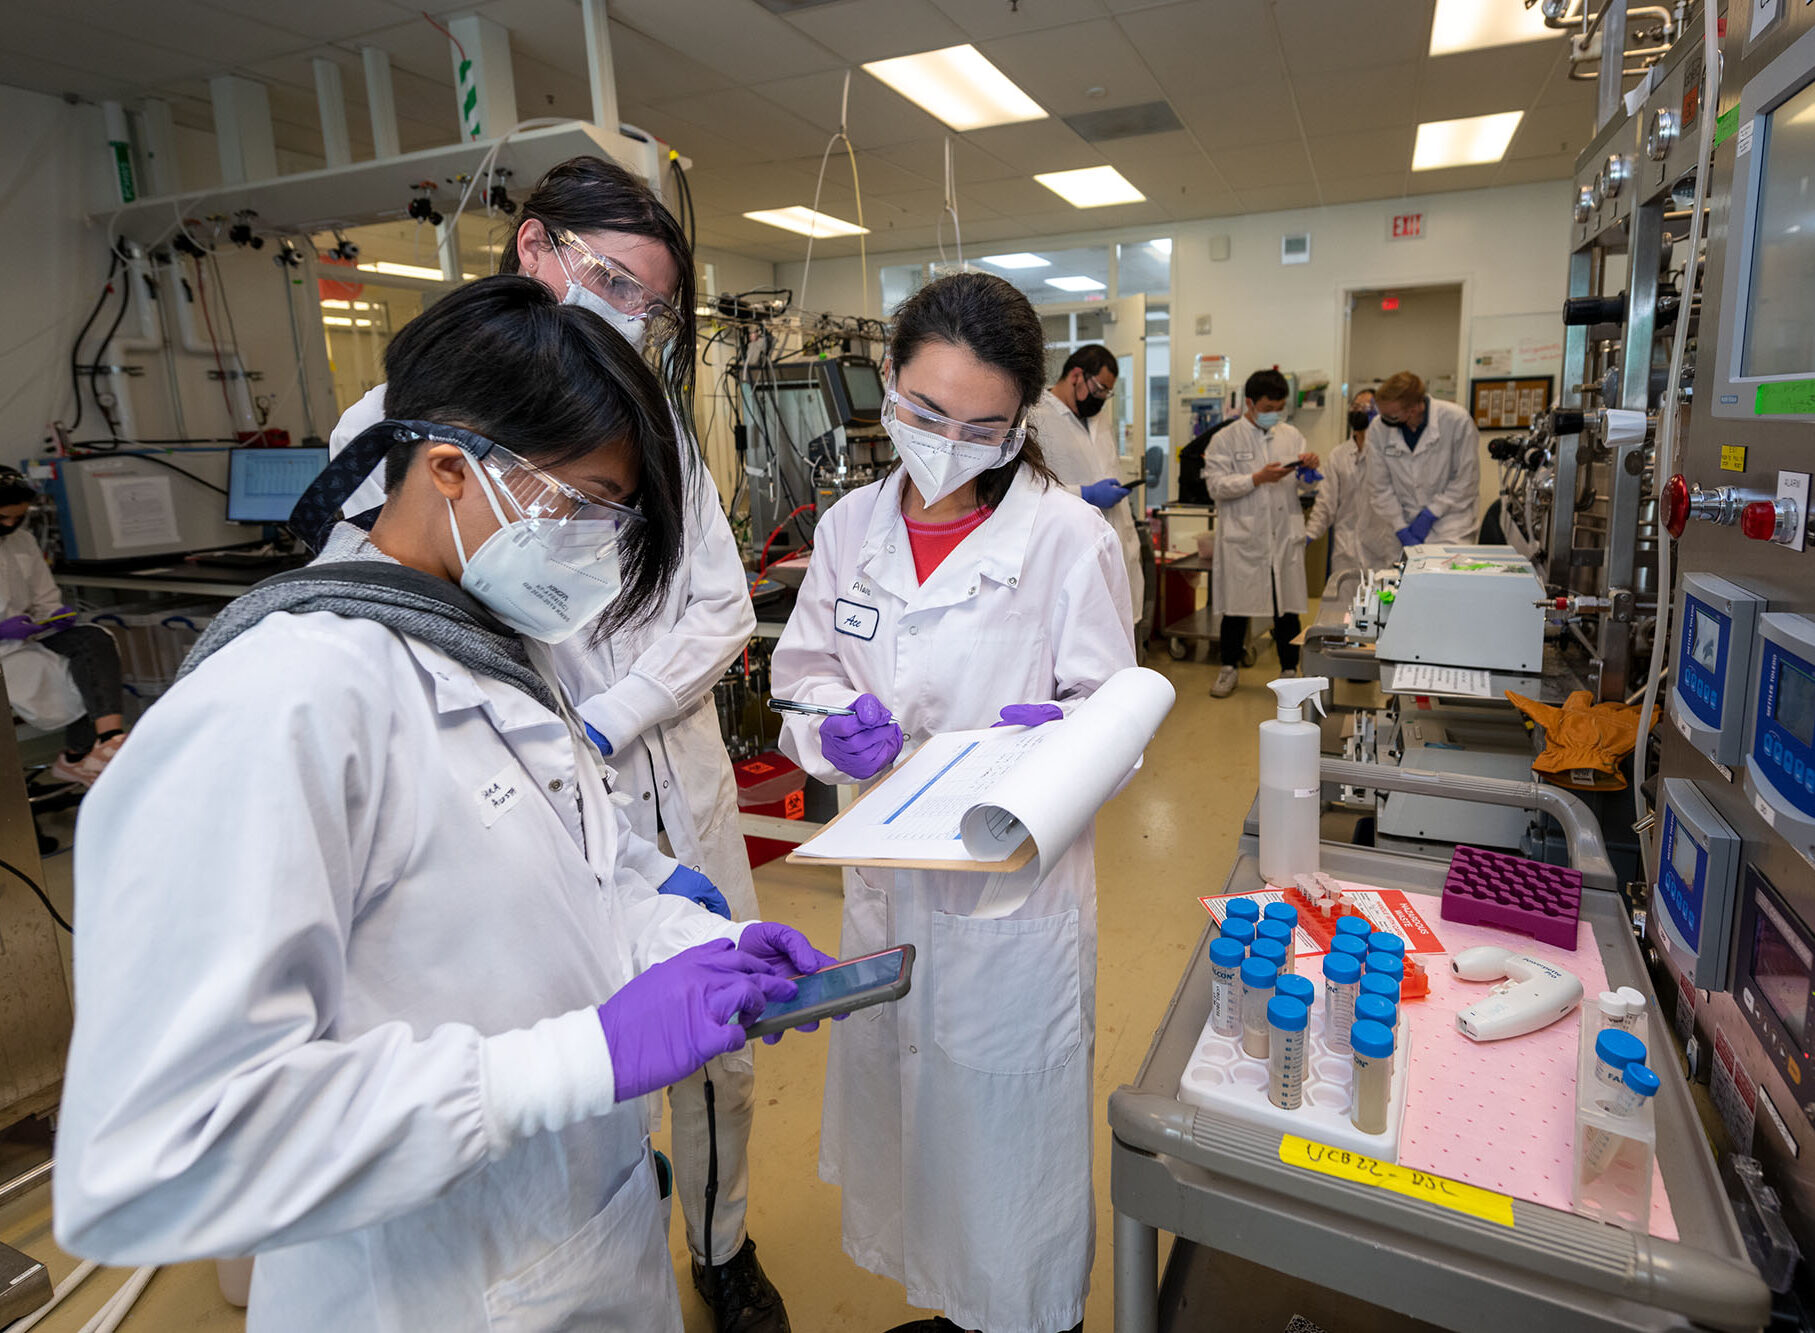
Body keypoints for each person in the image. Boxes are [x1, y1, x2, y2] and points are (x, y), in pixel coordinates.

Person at [54, 277, 835, 1332]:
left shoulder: (494, 645)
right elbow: (162, 1151)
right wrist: (578, 1060)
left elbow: (563, 871)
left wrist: (689, 938)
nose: (602, 547)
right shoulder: (280, 705)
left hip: (570, 1243)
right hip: (427, 1291)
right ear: (452, 470)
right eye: (587, 507)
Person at [328, 157, 782, 1332]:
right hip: (511, 798)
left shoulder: (656, 418)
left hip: (659, 782)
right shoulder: (395, 426)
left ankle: (722, 1241)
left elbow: (721, 609)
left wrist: (605, 719)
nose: (633, 315)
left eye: (649, 303)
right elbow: (385, 637)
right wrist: (555, 742)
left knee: (719, 1046)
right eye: (616, 283)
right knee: (571, 1049)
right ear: (536, 250)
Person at [769, 271, 1135, 1333]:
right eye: (926, 412)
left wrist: (1058, 746)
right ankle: (955, 1303)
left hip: (1007, 899)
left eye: (983, 426)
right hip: (889, 879)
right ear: (887, 381)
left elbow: (1115, 719)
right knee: (918, 1130)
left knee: (1007, 1148)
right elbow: (803, 671)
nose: (947, 441)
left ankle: (1028, 1314)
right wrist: (828, 722)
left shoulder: (1067, 538)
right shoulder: (848, 527)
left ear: (1022, 421)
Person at [0, 469, 128, 785]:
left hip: (29, 638)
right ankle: (78, 756)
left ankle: (107, 741)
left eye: (18, 518)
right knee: (81, 673)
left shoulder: (22, 540)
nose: (10, 525)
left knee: (96, 641)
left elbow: (44, 598)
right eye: (3, 517)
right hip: (4, 653)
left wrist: (56, 615)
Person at [1203, 368, 1319, 699]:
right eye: (1268, 408)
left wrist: (1310, 467)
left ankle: (1288, 669)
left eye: (1279, 407)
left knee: (1287, 607)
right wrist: (1255, 478)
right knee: (1235, 607)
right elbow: (1216, 486)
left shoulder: (1291, 435)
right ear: (1250, 403)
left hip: (1281, 535)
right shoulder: (1224, 439)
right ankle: (1229, 668)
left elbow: (1305, 483)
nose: (1274, 414)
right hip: (1244, 537)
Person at [1027, 345, 1145, 635]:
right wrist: (1085, 493)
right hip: (1069, 542)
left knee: (1119, 633)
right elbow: (1027, 487)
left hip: (1113, 533)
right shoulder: (1035, 416)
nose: (1102, 398)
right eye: (1100, 388)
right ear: (1077, 375)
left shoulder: (1098, 418)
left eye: (1108, 392)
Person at [1362, 370, 1481, 549]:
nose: (1385, 421)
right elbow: (1379, 486)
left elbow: (1466, 480)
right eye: (1383, 414)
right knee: (1403, 575)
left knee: (1445, 573)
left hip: (1450, 524)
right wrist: (1400, 527)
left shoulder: (1456, 420)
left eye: (1392, 416)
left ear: (1415, 408)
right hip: (1402, 524)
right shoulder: (1379, 429)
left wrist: (1430, 514)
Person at [1304, 396, 1402, 610]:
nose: (1359, 410)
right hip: (1346, 550)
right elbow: (1326, 503)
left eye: (1367, 407)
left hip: (1382, 548)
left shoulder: (1391, 453)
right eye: (1356, 406)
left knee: (1381, 614)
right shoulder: (1339, 455)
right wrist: (1309, 535)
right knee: (1343, 615)